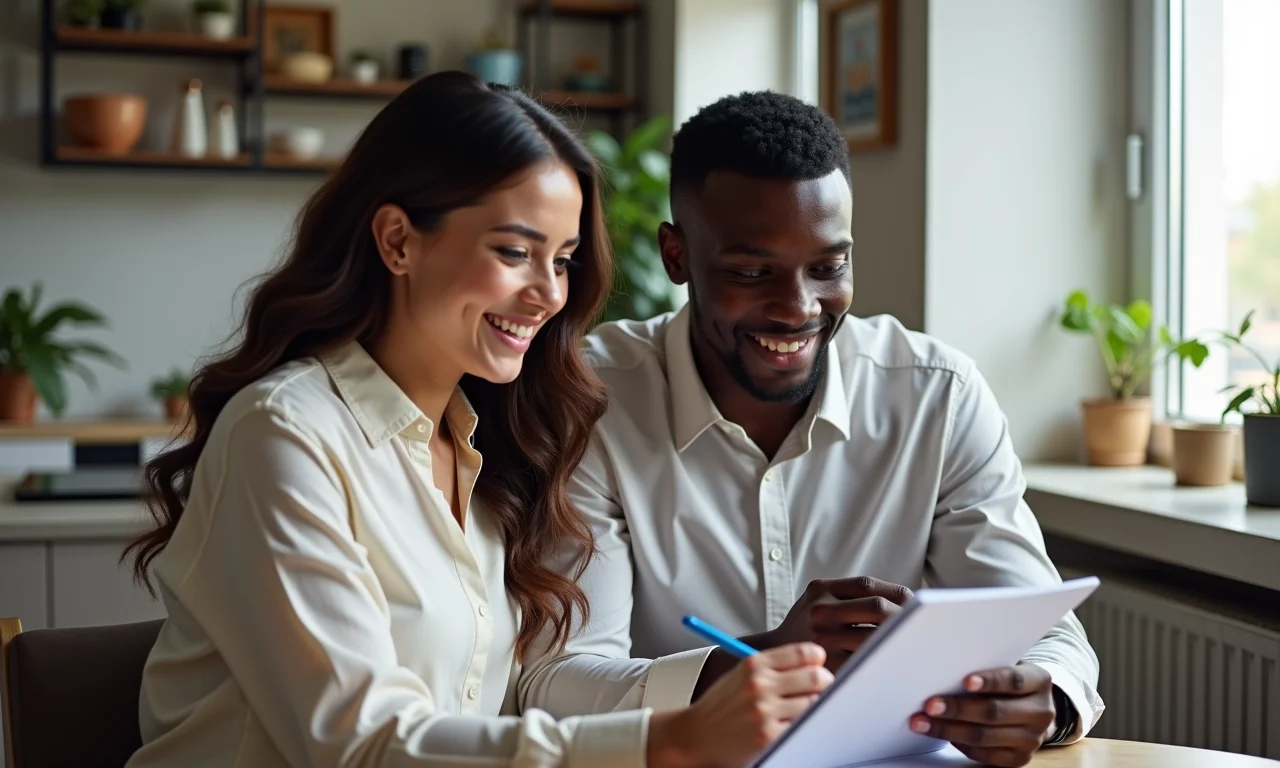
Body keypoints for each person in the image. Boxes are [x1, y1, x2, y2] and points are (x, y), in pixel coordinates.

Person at [119, 73, 834, 768]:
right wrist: (671, 744)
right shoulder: (285, 436)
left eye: (563, 259)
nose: (548, 293)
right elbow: (359, 744)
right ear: (398, 240)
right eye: (515, 252)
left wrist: (727, 687)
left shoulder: (487, 448)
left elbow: (518, 690)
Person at [518, 91, 1105, 768]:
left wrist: (1041, 699)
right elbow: (556, 684)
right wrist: (770, 657)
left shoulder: (937, 395)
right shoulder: (592, 399)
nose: (797, 308)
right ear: (676, 257)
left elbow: (1047, 630)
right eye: (751, 272)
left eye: (828, 268)